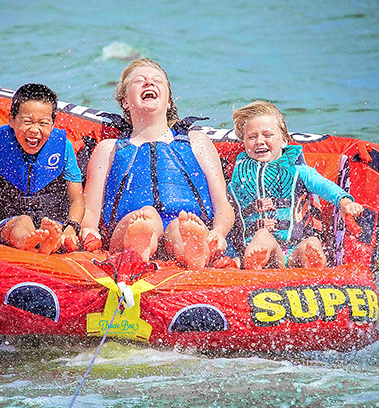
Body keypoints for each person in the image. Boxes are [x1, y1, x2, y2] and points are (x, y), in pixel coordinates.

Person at [80, 58, 234, 269]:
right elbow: (90, 210)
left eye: (156, 80)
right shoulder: (108, 149)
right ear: (125, 101)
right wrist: (88, 231)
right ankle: (138, 250)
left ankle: (193, 253)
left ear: (169, 100)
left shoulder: (196, 142)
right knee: (147, 218)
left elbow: (223, 205)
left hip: (182, 222)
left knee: (179, 228)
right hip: (126, 227)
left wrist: (218, 232)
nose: (149, 84)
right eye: (140, 81)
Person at [0, 83, 84, 254]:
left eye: (43, 123)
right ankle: (29, 242)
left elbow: (77, 199)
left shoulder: (64, 148)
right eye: (27, 121)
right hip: (3, 227)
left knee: (54, 227)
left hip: (49, 224)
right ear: (11, 119)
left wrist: (71, 228)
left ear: (52, 123)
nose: (35, 130)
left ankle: (48, 242)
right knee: (22, 222)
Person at [227, 100, 363, 270]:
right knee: (262, 237)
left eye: (267, 135)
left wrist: (345, 202)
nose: (259, 141)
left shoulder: (299, 171)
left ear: (284, 141)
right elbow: (226, 211)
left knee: (311, 244)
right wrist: (231, 254)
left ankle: (312, 266)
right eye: (252, 137)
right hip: (265, 251)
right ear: (244, 143)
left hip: (295, 248)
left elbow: (323, 186)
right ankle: (255, 261)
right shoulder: (239, 177)